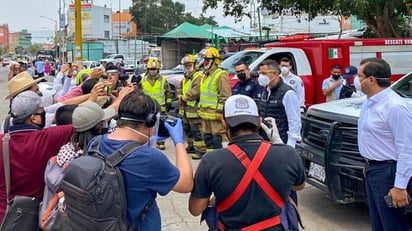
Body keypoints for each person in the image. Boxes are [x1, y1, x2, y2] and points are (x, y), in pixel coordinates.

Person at [189, 94, 305, 230]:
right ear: (259, 121)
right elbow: (299, 186)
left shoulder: (211, 161)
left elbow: (195, 209)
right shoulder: (288, 154)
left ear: (224, 123)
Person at [87, 90, 193, 230]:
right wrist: (179, 142)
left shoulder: (95, 143)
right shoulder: (149, 159)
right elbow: (186, 184)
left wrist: (144, 142)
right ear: (150, 121)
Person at [357, 57, 412, 231]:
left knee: (393, 224)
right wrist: (368, 162)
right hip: (373, 170)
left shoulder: (395, 107)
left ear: (371, 79)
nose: (356, 82)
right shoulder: (369, 103)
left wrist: (400, 186)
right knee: (378, 223)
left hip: (389, 173)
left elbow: (407, 149)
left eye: (359, 77)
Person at [257, 59, 301, 148]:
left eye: (264, 73)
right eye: (260, 73)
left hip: (281, 141)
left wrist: (290, 145)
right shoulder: (265, 91)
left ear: (275, 73)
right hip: (265, 141)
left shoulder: (288, 93)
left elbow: (294, 121)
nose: (261, 76)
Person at [197, 47, 231, 156]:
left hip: (215, 116)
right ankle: (210, 159)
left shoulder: (220, 75)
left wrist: (220, 112)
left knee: (218, 139)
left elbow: (225, 95)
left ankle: (223, 159)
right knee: (207, 139)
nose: (205, 63)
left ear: (214, 61)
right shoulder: (205, 75)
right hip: (205, 115)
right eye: (204, 60)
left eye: (207, 60)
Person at [177, 54, 206, 159]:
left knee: (196, 131)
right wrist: (180, 96)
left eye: (189, 65)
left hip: (194, 109)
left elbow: (195, 92)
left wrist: (183, 98)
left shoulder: (198, 77)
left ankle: (200, 150)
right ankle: (191, 146)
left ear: (195, 65)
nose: (187, 67)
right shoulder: (185, 78)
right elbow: (179, 88)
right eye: (186, 66)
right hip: (185, 109)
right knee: (187, 129)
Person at [140, 58, 173, 150]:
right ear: (148, 70)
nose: (153, 71)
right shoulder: (143, 80)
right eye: (151, 69)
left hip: (160, 107)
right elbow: (140, 93)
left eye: (154, 70)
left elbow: (169, 93)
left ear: (158, 70)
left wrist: (169, 103)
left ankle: (161, 142)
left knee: (160, 125)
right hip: (147, 106)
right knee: (147, 124)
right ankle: (147, 141)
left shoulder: (163, 80)